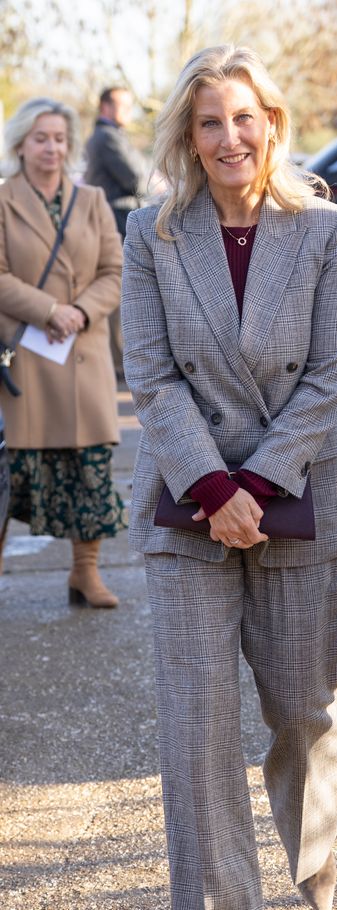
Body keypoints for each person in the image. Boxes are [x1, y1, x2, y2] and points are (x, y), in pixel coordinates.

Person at [121, 45, 337, 910]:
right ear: (189, 136)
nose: (229, 137)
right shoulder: (154, 234)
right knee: (196, 725)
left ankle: (313, 843)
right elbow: (153, 373)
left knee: (303, 712)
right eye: (209, 122)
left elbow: (330, 376)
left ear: (270, 121)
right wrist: (212, 491)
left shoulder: (325, 230)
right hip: (187, 510)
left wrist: (256, 485)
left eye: (243, 117)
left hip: (301, 492)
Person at [0, 97, 126, 607]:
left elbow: (114, 272)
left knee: (90, 473)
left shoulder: (92, 200)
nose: (51, 148)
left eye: (58, 138)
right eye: (40, 138)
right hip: (27, 356)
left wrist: (80, 311)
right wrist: (50, 309)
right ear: (21, 145)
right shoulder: (2, 200)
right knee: (13, 479)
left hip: (82, 355)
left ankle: (85, 573)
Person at [85, 87, 146, 380]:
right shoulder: (107, 138)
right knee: (119, 292)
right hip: (114, 224)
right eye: (124, 106)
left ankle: (120, 360)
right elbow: (137, 176)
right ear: (105, 108)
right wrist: (150, 181)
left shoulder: (112, 136)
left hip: (117, 221)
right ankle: (120, 362)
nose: (129, 112)